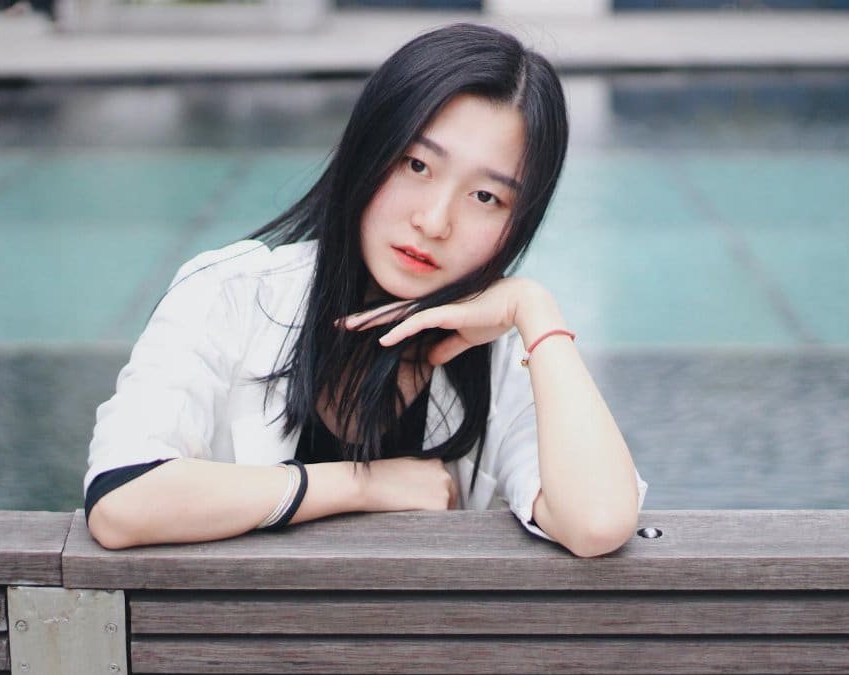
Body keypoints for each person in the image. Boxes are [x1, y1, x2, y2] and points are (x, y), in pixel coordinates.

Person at [84, 22, 647, 558]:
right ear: (368, 150)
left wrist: (535, 308)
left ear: (517, 222)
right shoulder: (229, 293)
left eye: (486, 198)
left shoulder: (502, 354)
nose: (434, 221)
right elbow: (122, 500)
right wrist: (361, 486)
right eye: (417, 164)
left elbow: (597, 522)